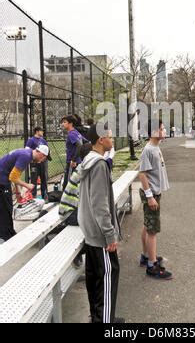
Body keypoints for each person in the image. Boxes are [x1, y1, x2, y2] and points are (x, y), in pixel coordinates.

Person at [78, 124, 123, 323]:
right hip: (99, 235)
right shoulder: (98, 164)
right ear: (100, 140)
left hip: (91, 231)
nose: (112, 141)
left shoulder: (88, 161)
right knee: (107, 277)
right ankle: (105, 321)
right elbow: (100, 205)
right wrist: (109, 234)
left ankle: (100, 317)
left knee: (95, 279)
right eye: (110, 137)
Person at [139, 120, 172, 280]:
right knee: (152, 230)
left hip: (155, 193)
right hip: (151, 194)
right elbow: (142, 174)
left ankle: (145, 256)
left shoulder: (155, 147)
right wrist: (150, 196)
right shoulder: (148, 150)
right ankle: (152, 265)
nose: (164, 131)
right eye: (161, 129)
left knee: (147, 225)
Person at [0, 145, 49, 242]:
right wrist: (27, 185)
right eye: (43, 157)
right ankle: (7, 236)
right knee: (6, 208)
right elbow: (13, 177)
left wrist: (18, 192)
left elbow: (14, 175)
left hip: (4, 178)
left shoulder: (27, 153)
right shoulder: (26, 156)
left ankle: (8, 233)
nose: (42, 160)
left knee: (5, 207)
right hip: (2, 180)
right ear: (41, 153)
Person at [26, 127, 50, 200]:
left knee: (44, 179)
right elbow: (27, 150)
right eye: (41, 131)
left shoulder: (43, 140)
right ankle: (33, 197)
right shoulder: (31, 140)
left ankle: (45, 195)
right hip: (35, 163)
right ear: (37, 132)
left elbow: (47, 150)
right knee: (34, 180)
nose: (42, 132)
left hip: (43, 163)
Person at [61, 115, 84, 190]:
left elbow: (80, 145)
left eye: (64, 122)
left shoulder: (71, 134)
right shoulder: (76, 132)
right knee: (76, 184)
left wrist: (74, 160)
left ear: (70, 124)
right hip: (78, 162)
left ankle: (65, 201)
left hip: (72, 163)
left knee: (68, 185)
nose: (62, 124)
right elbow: (86, 142)